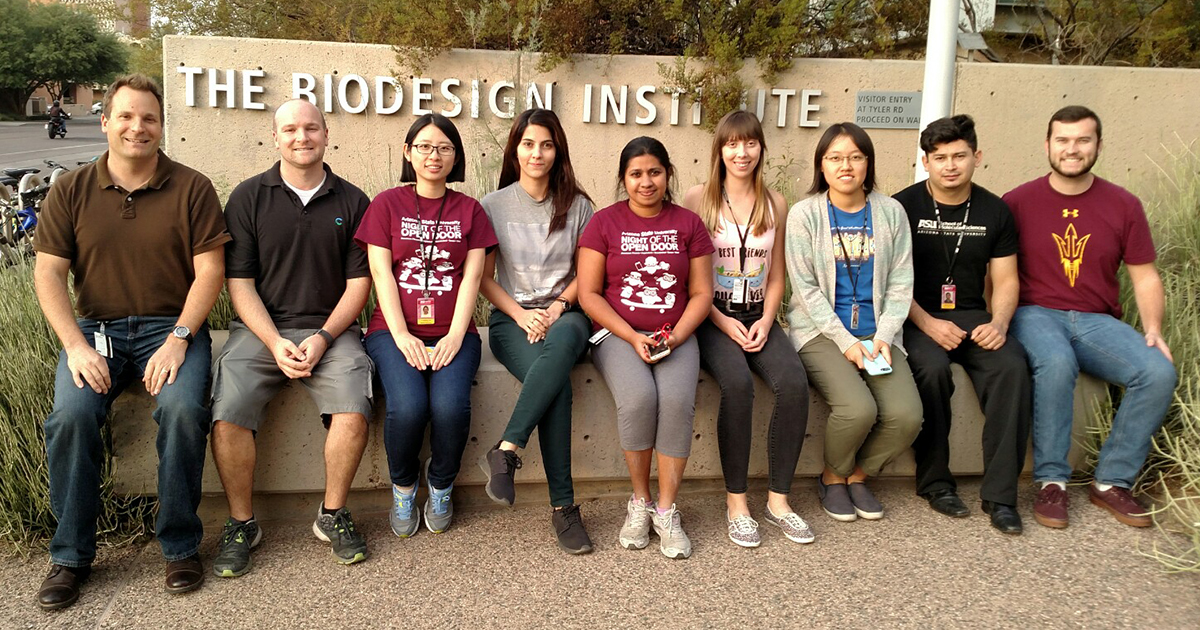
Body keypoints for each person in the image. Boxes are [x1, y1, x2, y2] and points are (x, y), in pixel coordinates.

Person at [32, 75, 229, 609]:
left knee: (185, 410)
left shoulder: (192, 186)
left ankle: (181, 546)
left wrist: (181, 338)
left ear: (162, 126)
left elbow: (209, 270)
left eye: (148, 118)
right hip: (97, 332)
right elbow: (49, 275)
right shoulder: (71, 189)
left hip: (172, 328)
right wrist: (75, 346)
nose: (137, 127)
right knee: (72, 417)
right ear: (105, 121)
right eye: (125, 116)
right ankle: (70, 556)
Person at [208, 99, 373, 576]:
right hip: (260, 330)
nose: (301, 138)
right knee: (227, 413)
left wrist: (322, 338)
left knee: (353, 408)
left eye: (311, 128)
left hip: (332, 331)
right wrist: (275, 340)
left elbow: (358, 285)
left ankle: (333, 514)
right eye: (290, 130)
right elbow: (238, 283)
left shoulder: (353, 201)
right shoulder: (247, 198)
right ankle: (242, 524)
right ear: (275, 137)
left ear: (326, 134)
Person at [1004, 105, 1176, 529]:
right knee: (1056, 362)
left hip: (1097, 320)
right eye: (1063, 140)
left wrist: (1153, 329)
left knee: (1157, 371)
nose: (1072, 149)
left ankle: (1112, 482)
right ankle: (1052, 483)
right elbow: (999, 273)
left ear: (1098, 145)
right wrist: (998, 321)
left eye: (1083, 140)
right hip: (1034, 313)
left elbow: (1145, 276)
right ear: (1048, 146)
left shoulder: (1123, 205)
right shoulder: (1018, 202)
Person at [355, 113, 497, 537]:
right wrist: (401, 336)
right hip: (391, 331)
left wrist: (455, 334)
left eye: (444, 148)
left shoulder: (469, 210)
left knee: (450, 408)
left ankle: (440, 484)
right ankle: (403, 487)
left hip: (456, 332)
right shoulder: (386, 204)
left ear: (456, 158)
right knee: (409, 407)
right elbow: (381, 274)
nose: (434, 156)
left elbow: (473, 277)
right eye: (424, 147)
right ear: (408, 153)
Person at [681, 110, 813, 548]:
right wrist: (720, 320)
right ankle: (736, 503)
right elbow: (688, 277)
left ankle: (779, 501)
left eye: (751, 143)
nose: (742, 152)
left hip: (758, 313)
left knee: (794, 383)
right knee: (737, 384)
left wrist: (765, 319)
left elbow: (776, 275)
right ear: (719, 150)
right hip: (712, 317)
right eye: (733, 144)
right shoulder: (697, 198)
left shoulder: (775, 202)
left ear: (761, 148)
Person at [578, 136, 714, 559]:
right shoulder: (603, 223)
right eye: (636, 174)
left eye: (654, 172)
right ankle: (640, 501)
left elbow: (701, 293)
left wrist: (674, 336)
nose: (646, 182)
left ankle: (668, 509)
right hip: (619, 334)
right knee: (638, 399)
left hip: (675, 334)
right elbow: (589, 294)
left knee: (675, 400)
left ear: (668, 174)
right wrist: (633, 336)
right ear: (624, 179)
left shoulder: (688, 224)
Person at [893, 114, 1030, 535]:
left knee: (1012, 368)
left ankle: (1001, 495)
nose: (950, 165)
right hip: (916, 315)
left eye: (959, 156)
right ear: (926, 162)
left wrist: (1001, 322)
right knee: (931, 372)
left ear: (977, 156)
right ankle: (935, 483)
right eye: (940, 157)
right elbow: (891, 281)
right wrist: (927, 322)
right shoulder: (902, 206)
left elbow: (1006, 279)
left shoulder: (995, 210)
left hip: (975, 316)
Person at [784, 122, 922, 523]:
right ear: (822, 166)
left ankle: (858, 474)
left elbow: (901, 280)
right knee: (857, 409)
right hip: (820, 332)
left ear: (868, 162)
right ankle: (832, 476)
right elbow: (806, 289)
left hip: (878, 333)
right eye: (835, 158)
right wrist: (845, 341)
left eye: (855, 157)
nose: (846, 166)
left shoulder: (890, 212)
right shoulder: (804, 214)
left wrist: (883, 335)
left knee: (907, 415)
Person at [477, 109, 596, 554]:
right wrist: (523, 314)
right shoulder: (493, 205)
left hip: (565, 315)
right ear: (515, 149)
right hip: (512, 320)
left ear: (558, 150)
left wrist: (558, 307)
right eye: (528, 144)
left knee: (567, 335)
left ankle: (507, 449)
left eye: (546, 144)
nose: (537, 153)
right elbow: (485, 278)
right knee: (558, 390)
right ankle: (564, 509)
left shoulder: (580, 205)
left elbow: (589, 276)